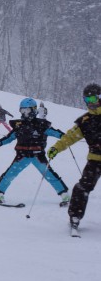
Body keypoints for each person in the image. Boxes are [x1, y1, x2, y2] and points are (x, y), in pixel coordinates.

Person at [0, 97, 69, 205]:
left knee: (49, 175)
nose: (24, 113)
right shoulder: (19, 126)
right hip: (22, 156)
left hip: (38, 156)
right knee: (9, 174)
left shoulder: (41, 125)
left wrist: (65, 137)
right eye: (22, 110)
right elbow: (10, 137)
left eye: (27, 110)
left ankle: (65, 196)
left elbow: (54, 132)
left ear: (33, 110)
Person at [47, 83, 101, 233]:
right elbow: (69, 137)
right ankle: (75, 217)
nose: (91, 103)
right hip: (95, 160)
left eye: (93, 98)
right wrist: (56, 148)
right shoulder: (85, 121)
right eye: (87, 99)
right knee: (82, 188)